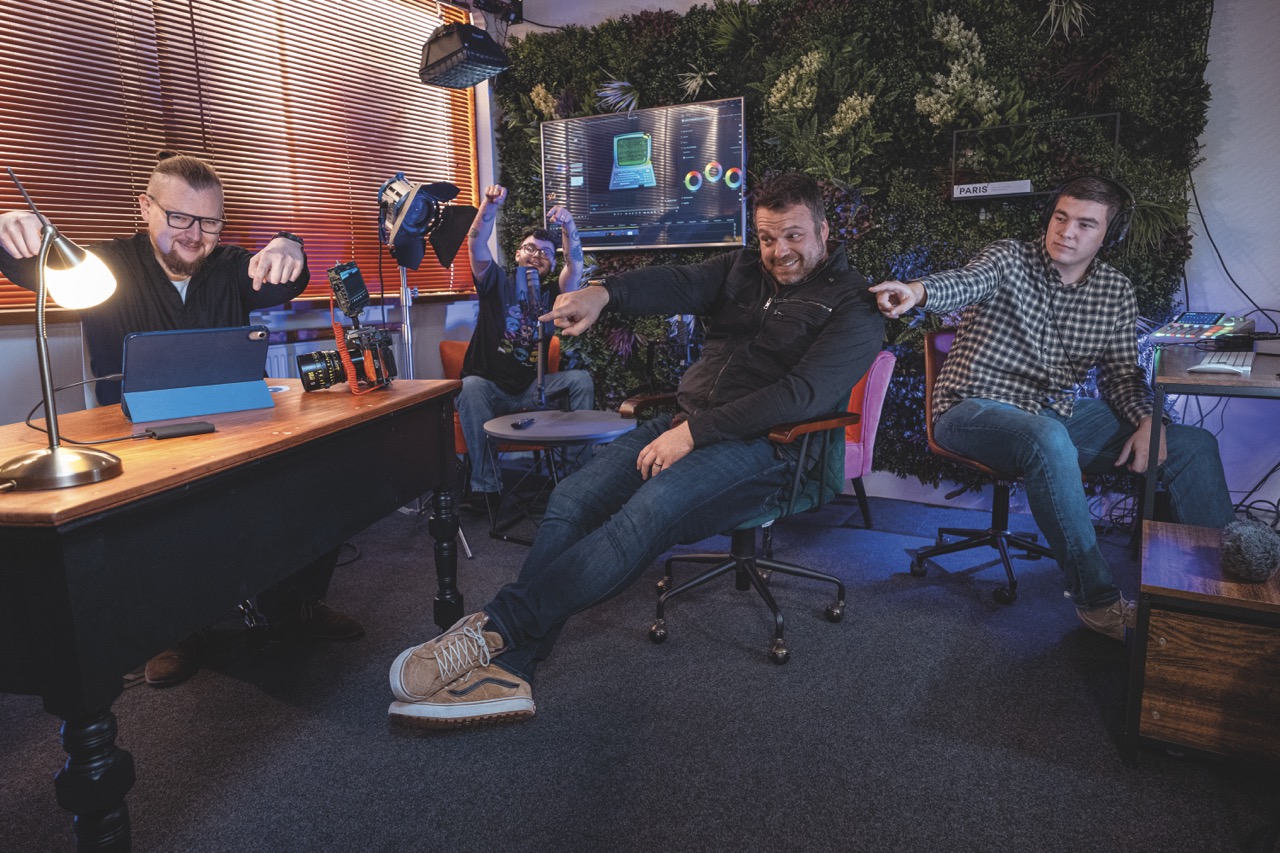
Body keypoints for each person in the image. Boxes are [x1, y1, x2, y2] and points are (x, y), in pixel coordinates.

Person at [387, 172, 885, 728]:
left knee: (644, 515)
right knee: (573, 497)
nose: (778, 252)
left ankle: (495, 632)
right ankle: (515, 667)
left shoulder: (853, 305)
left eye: (792, 237)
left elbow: (800, 396)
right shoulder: (743, 268)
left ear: (821, 229)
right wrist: (603, 294)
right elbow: (676, 282)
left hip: (769, 450)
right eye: (768, 238)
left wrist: (694, 435)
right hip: (688, 423)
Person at [0, 151, 365, 685]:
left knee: (315, 467)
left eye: (211, 222)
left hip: (236, 425)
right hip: (136, 434)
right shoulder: (102, 264)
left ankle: (295, 607)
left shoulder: (231, 267)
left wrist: (292, 243)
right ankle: (173, 632)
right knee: (156, 517)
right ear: (145, 209)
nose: (195, 235)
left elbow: (286, 278)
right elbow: (27, 265)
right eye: (179, 218)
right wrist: (11, 230)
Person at [868, 175, 1235, 641]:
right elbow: (964, 282)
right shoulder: (1007, 258)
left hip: (1051, 412)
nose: (1067, 231)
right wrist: (917, 291)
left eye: (1085, 224)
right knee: (1047, 438)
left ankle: (1226, 602)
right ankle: (1098, 601)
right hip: (969, 408)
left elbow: (1122, 375)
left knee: (1191, 443)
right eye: (1061, 217)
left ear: (1109, 236)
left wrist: (1149, 419)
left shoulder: (1115, 292)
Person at [457, 184, 595, 514]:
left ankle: (576, 483)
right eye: (530, 249)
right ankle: (486, 487)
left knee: (580, 380)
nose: (536, 255)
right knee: (470, 385)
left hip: (532, 389)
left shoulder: (556, 295)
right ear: (517, 254)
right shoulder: (495, 282)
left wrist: (569, 226)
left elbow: (575, 267)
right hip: (489, 388)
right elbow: (475, 243)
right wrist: (488, 206)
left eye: (545, 253)